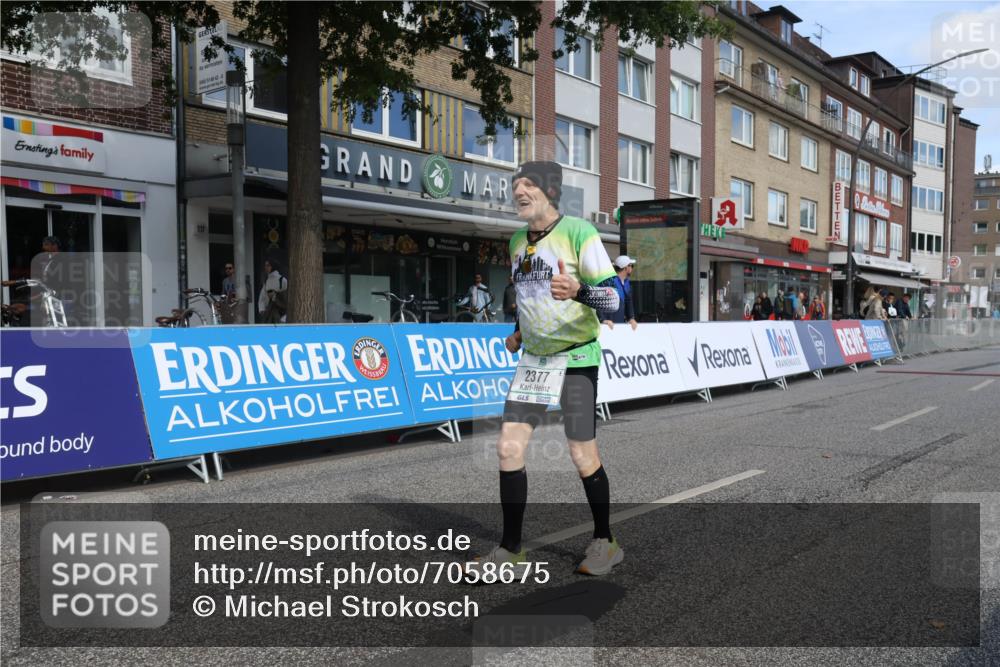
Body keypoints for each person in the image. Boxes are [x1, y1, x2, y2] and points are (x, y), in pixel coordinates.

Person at [469, 160, 623, 577]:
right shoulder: (518, 240)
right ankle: (511, 551)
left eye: (528, 185)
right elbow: (530, 294)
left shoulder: (579, 232)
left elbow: (615, 302)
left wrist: (580, 289)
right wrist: (518, 330)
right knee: (508, 448)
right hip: (535, 361)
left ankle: (605, 542)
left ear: (550, 192)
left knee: (581, 453)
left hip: (575, 356)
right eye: (515, 185)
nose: (518, 191)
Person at [599, 255, 638, 330]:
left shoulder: (626, 282)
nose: (632, 268)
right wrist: (603, 320)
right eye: (631, 266)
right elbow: (599, 300)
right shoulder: (608, 282)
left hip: (619, 324)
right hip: (608, 326)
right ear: (626, 268)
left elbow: (628, 301)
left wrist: (631, 318)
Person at [258, 259, 288, 323]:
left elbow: (286, 296)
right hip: (268, 312)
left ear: (273, 266)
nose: (265, 267)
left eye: (268, 265)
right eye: (265, 265)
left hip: (281, 313)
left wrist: (275, 295)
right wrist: (262, 309)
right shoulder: (267, 281)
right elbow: (262, 297)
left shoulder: (282, 280)